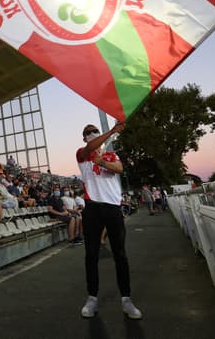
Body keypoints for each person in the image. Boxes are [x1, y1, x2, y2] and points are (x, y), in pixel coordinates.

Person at [77, 123, 142, 320]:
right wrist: (112, 131)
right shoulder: (82, 153)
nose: (91, 134)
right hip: (93, 208)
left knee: (120, 254)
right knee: (91, 255)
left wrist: (102, 162)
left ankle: (126, 299)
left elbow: (119, 168)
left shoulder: (111, 155)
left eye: (93, 131)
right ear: (84, 137)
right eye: (87, 132)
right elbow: (90, 149)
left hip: (113, 208)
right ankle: (92, 298)